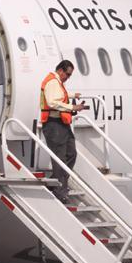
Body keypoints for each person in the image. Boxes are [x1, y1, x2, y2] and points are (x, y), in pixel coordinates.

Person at [39, 59, 87, 203]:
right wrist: (73, 107)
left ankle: (56, 181)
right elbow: (52, 102)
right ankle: (60, 190)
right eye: (68, 74)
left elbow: (58, 95)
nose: (68, 77)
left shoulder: (57, 82)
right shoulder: (52, 82)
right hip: (53, 124)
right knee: (60, 158)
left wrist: (72, 96)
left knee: (71, 154)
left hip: (61, 124)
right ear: (60, 70)